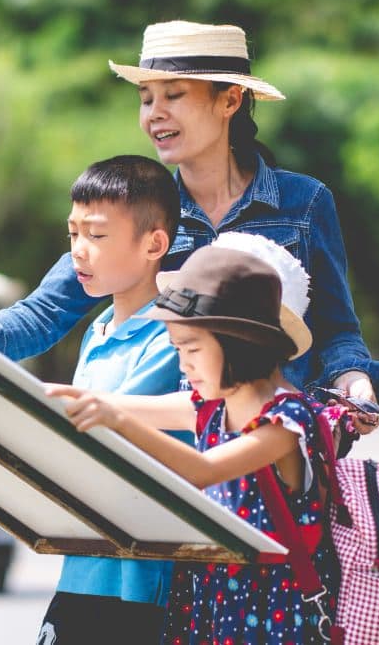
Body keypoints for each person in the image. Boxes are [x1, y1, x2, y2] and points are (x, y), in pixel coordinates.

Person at [0, 20, 379, 426]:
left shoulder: (304, 202)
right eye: (146, 98)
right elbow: (48, 310)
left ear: (230, 100)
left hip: (275, 442)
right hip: (171, 450)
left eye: (173, 95)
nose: (155, 114)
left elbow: (336, 328)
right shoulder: (140, 208)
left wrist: (353, 382)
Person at [49, 239, 342, 644]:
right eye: (177, 349)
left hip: (273, 627)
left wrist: (116, 420)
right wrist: (68, 400)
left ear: (238, 342)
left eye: (191, 349)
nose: (183, 364)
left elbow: (202, 470)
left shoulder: (286, 422)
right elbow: (122, 404)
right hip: (214, 617)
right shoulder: (210, 409)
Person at [33, 154, 186, 644]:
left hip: (138, 579)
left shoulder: (172, 337)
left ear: (154, 244)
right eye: (73, 234)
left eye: (97, 236)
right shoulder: (96, 331)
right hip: (83, 565)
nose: (79, 251)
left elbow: (95, 436)